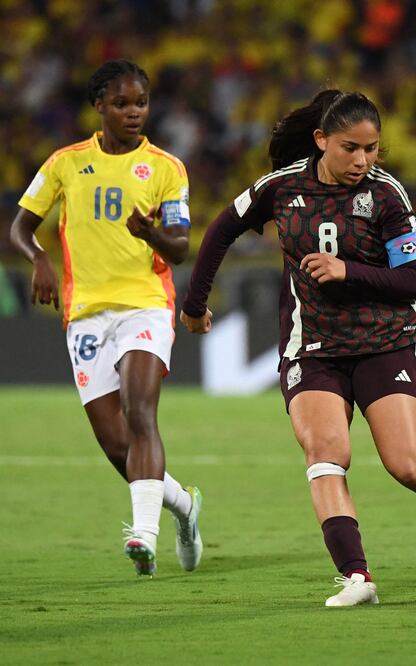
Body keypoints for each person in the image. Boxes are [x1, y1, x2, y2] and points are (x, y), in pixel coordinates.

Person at [181, 89, 416, 607]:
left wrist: (350, 270)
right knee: (327, 453)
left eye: (372, 149)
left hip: (384, 342)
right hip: (313, 346)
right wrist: (194, 304)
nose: (363, 161)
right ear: (322, 140)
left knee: (406, 465)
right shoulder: (281, 187)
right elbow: (219, 231)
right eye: (351, 148)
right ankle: (356, 578)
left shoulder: (387, 195)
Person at [9, 59, 203, 577]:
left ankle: (144, 536)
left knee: (141, 415)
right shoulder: (66, 163)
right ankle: (184, 507)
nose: (134, 112)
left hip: (145, 304)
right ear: (99, 106)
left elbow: (181, 248)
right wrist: (40, 259)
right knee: (116, 444)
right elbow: (21, 228)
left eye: (140, 102)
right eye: (122, 103)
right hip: (85, 314)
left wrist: (151, 235)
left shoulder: (166, 168)